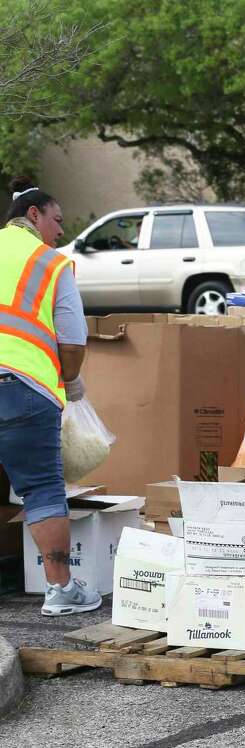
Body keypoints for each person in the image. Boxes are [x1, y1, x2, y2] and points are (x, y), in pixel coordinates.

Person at [0, 178, 95, 617]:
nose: (60, 231)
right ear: (33, 215)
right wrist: (71, 381)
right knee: (41, 489)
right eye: (57, 220)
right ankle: (60, 590)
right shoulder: (51, 263)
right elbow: (72, 341)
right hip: (22, 389)